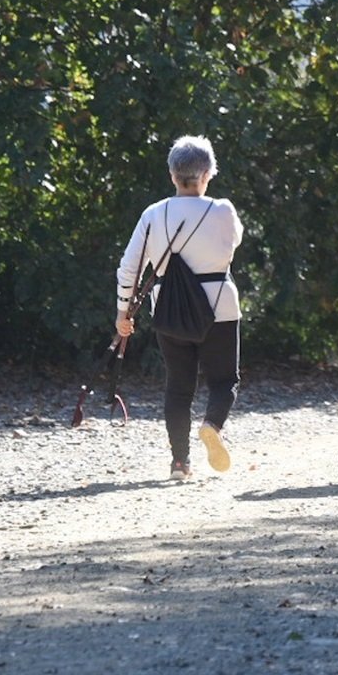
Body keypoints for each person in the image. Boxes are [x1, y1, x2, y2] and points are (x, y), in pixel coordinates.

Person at [115, 135, 245, 480]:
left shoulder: (153, 214)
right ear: (208, 174)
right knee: (224, 380)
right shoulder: (223, 210)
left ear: (173, 175)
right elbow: (234, 242)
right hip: (219, 306)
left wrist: (122, 313)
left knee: (178, 386)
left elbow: (130, 267)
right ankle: (212, 426)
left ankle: (179, 463)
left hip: (169, 309)